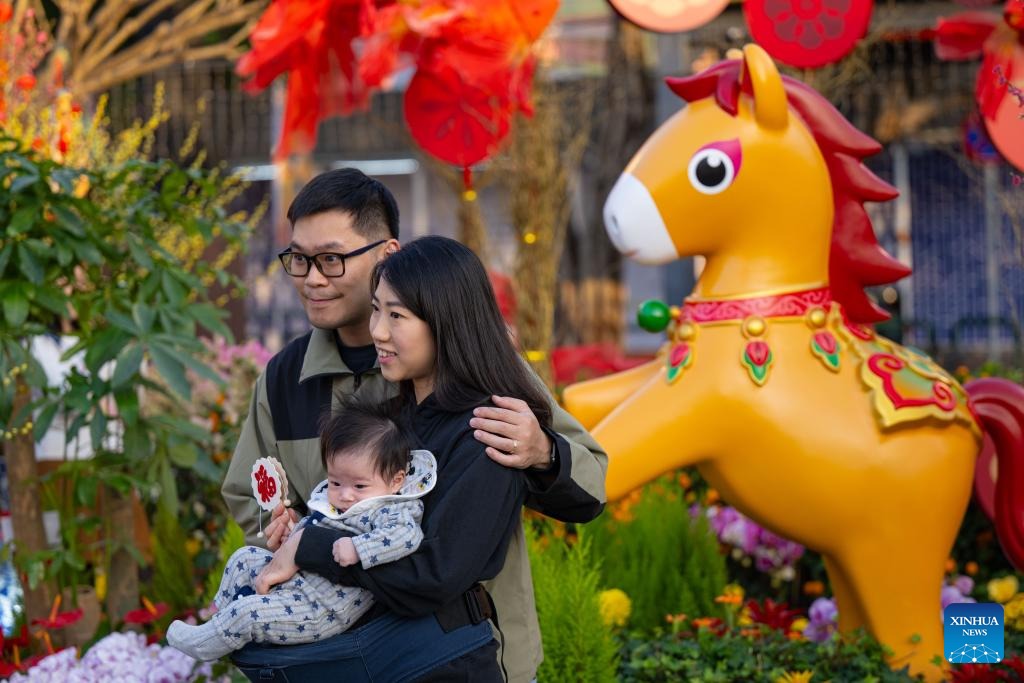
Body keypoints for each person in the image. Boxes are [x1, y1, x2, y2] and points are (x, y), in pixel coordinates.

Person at [222, 169, 607, 681]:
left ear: (387, 254)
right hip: (337, 658)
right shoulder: (283, 379)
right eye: (298, 259)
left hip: (461, 655)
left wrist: (543, 453)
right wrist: (285, 528)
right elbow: (251, 496)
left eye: (331, 259)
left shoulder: (475, 369)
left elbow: (588, 484)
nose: (312, 278)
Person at [167, 400, 436, 660]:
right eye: (335, 482)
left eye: (359, 486)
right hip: (298, 584)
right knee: (244, 558)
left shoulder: (391, 509)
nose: (345, 495)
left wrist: (358, 547)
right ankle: (219, 624)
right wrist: (294, 531)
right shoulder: (342, 499)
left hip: (321, 608)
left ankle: (212, 640)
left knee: (248, 614)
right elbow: (315, 531)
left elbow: (407, 535)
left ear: (396, 480)